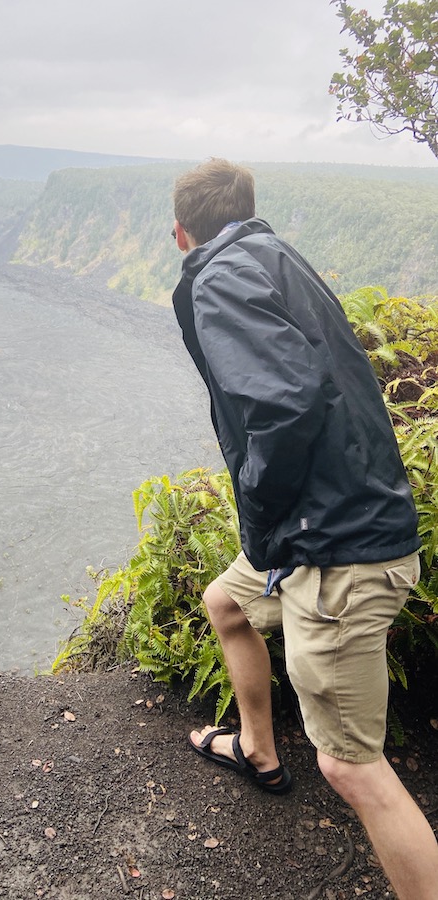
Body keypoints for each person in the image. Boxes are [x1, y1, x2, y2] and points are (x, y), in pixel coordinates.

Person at [171, 157, 438, 899]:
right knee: (225, 605)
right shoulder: (274, 255)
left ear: (179, 233)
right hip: (334, 519)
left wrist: (257, 508)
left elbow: (284, 404)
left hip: (332, 549)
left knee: (351, 767)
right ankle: (257, 749)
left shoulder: (220, 276)